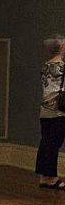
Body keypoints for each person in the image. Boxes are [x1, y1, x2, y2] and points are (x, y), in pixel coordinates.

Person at [36, 34, 65, 188]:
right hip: (59, 110)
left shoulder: (45, 66)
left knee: (45, 142)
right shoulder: (62, 67)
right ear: (60, 47)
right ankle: (52, 177)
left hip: (45, 109)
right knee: (54, 143)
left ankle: (44, 175)